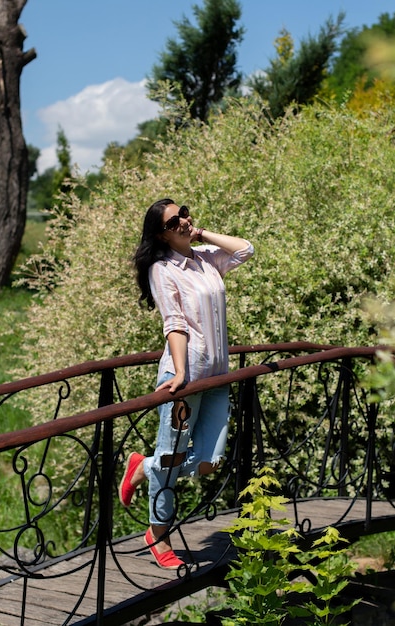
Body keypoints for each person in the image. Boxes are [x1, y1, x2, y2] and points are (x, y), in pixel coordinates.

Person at [119, 198, 253, 569]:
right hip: (186, 377)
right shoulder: (162, 270)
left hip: (218, 375)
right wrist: (179, 372)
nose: (182, 220)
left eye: (184, 213)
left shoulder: (207, 258)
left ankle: (143, 467)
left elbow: (246, 249)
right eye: (173, 220)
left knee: (209, 460)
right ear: (161, 233)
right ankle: (158, 536)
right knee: (173, 457)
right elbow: (173, 323)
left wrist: (201, 232)